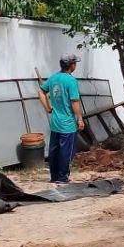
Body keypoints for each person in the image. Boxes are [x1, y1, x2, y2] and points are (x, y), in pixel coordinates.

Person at [38, 54, 85, 184]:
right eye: (75, 63)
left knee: (54, 150)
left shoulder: (53, 78)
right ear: (72, 66)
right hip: (68, 124)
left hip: (55, 123)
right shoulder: (71, 81)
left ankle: (54, 177)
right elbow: (74, 101)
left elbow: (41, 92)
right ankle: (63, 178)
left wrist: (47, 107)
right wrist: (80, 119)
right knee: (66, 152)